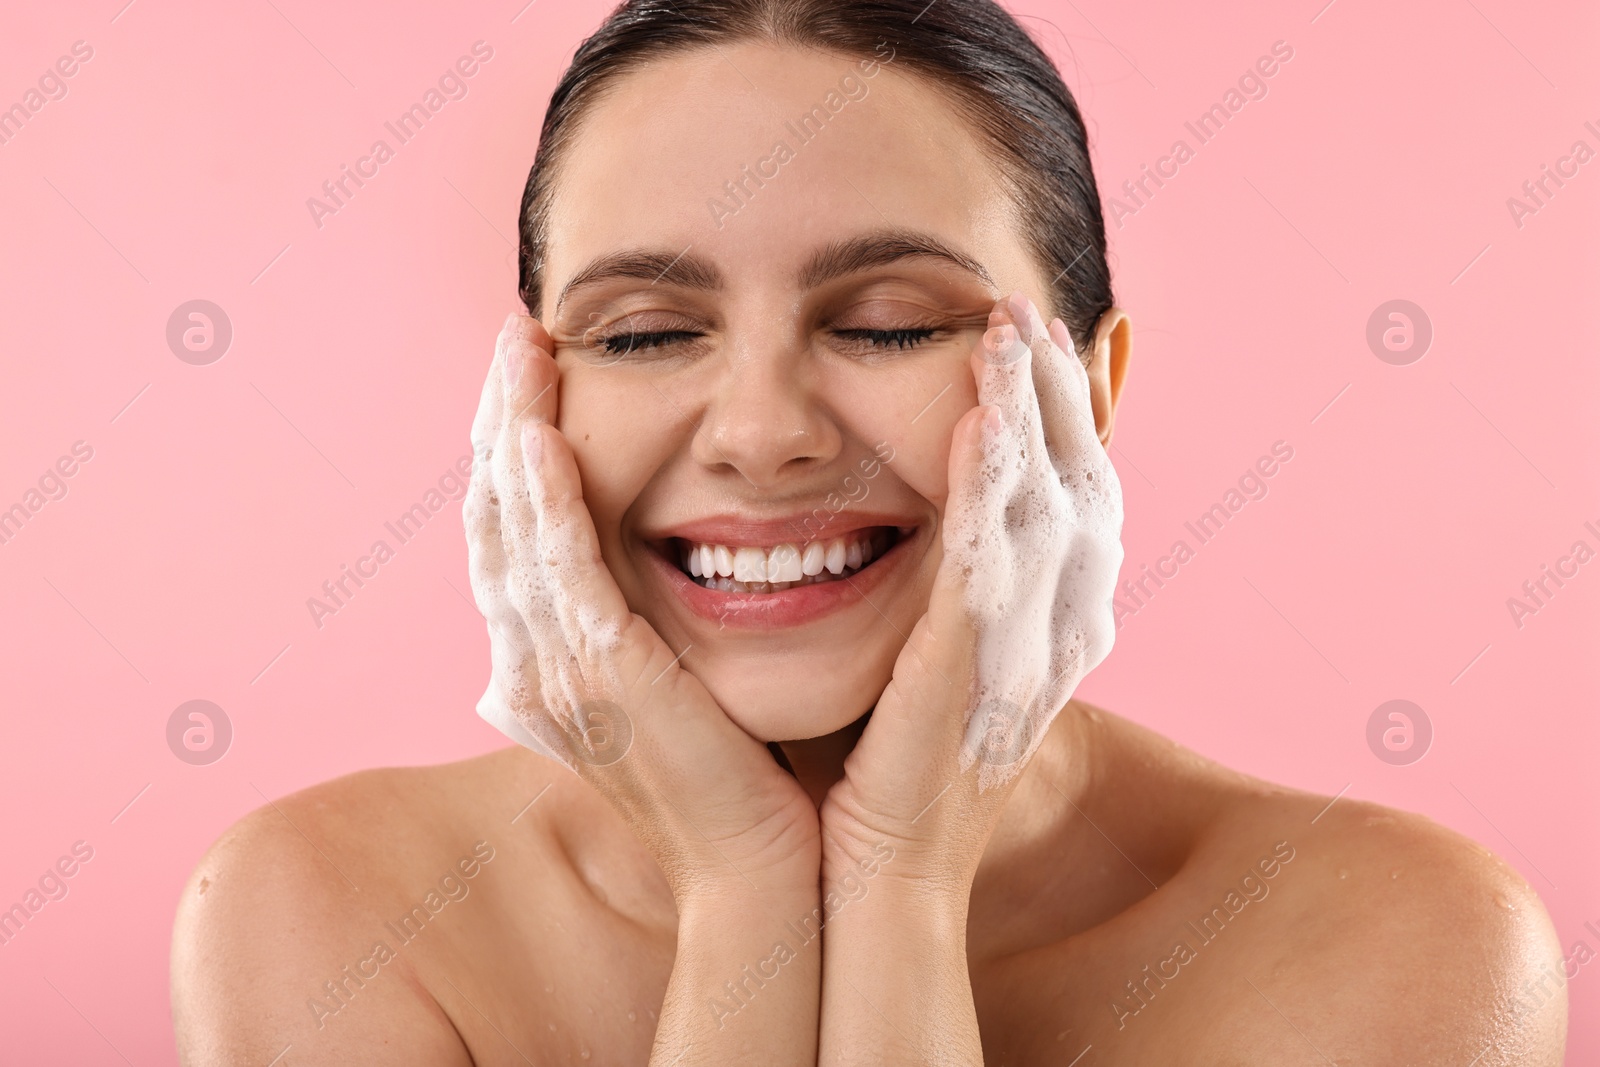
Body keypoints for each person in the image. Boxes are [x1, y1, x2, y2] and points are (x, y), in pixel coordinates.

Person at [170, 1, 1566, 1063]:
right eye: (648, 333)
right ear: (530, 403)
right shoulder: (325, 918)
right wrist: (743, 888)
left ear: (1093, 391)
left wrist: (901, 878)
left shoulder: (1404, 946)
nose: (761, 430)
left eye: (890, 322)